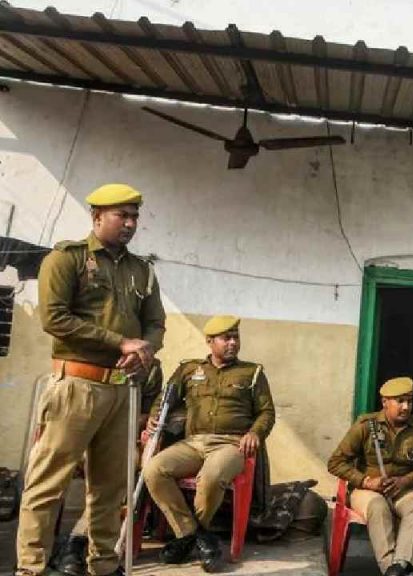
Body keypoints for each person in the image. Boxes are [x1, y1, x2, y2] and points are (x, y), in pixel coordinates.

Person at [16, 184, 166, 576]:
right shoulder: (67, 260)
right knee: (48, 485)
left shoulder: (141, 270)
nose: (130, 224)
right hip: (75, 387)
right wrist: (121, 341)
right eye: (122, 216)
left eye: (135, 216)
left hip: (120, 390)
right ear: (97, 216)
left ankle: (103, 564)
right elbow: (56, 319)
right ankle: (30, 568)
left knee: (110, 488)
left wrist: (144, 350)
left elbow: (155, 322)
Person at [141, 315, 275, 573]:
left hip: (231, 445)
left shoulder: (252, 373)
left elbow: (266, 412)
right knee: (154, 470)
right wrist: (155, 419)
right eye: (226, 338)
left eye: (236, 337)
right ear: (210, 341)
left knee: (212, 476)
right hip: (193, 443)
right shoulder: (190, 370)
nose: (233, 343)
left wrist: (255, 433)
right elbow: (165, 397)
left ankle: (189, 537)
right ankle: (197, 535)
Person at [51, 361, 165, 576]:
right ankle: (49, 550)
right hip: (78, 430)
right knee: (56, 469)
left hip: (117, 435)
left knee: (126, 462)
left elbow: (147, 410)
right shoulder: (88, 355)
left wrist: (143, 421)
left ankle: (78, 542)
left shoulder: (150, 368)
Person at [328, 377, 413, 576]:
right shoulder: (366, 425)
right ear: (385, 402)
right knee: (378, 506)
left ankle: (401, 565)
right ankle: (390, 569)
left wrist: (405, 481)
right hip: (367, 489)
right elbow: (335, 463)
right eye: (400, 401)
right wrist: (366, 481)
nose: (406, 407)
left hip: (402, 488)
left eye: (409, 401)